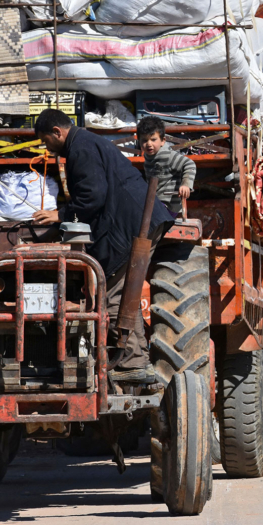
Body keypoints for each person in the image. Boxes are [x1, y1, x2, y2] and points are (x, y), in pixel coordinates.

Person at [32, 109, 174, 383]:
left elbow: (92, 195)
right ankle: (133, 360)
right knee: (121, 291)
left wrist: (61, 216)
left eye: (46, 141)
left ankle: (132, 363)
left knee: (115, 296)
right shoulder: (84, 142)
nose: (46, 148)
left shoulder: (80, 148)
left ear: (57, 132)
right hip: (135, 220)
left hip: (133, 222)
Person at [137, 116, 196, 216]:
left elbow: (189, 164)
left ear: (163, 140)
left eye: (153, 139)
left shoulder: (168, 155)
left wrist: (186, 184)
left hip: (168, 204)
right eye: (144, 140)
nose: (149, 144)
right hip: (156, 201)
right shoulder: (148, 157)